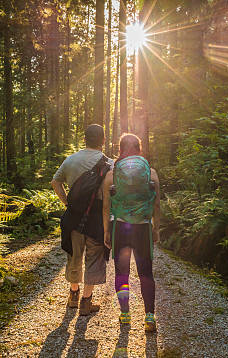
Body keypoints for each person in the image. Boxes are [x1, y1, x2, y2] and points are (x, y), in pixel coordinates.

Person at [51, 124, 113, 316]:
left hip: (74, 216)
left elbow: (55, 182)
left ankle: (73, 295)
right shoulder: (110, 163)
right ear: (103, 140)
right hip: (97, 218)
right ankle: (86, 302)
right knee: (94, 257)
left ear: (84, 139)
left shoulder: (70, 160)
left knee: (74, 255)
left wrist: (66, 202)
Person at [101, 133, 161, 332]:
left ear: (120, 150)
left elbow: (106, 207)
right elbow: (157, 204)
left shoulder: (112, 173)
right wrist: (156, 228)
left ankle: (125, 314)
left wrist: (106, 231)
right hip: (143, 227)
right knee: (145, 272)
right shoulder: (150, 172)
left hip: (121, 227)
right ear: (139, 149)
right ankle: (149, 317)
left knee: (122, 272)